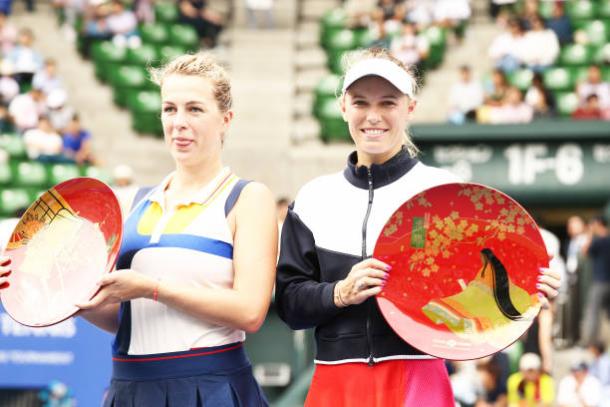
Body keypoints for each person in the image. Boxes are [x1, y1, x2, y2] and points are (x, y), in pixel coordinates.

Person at [274, 47, 561, 407]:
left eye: (388, 103)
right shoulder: (314, 198)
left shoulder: (445, 192)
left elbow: (484, 297)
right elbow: (289, 304)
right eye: (361, 102)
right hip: (337, 381)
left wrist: (531, 290)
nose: (373, 116)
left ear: (409, 108)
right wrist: (339, 293)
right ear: (343, 106)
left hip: (418, 381)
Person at [1, 52, 277, 406]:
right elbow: (127, 320)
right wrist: (58, 290)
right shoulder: (136, 201)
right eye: (169, 108)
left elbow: (250, 312)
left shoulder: (247, 198)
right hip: (131, 388)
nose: (178, 122)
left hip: (209, 388)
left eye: (195, 109)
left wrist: (152, 288)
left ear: (226, 119)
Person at [580, 215, 610, 346]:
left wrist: (590, 233)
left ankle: (590, 343)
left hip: (599, 281)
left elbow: (584, 251)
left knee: (593, 313)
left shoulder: (598, 241)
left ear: (598, 223)